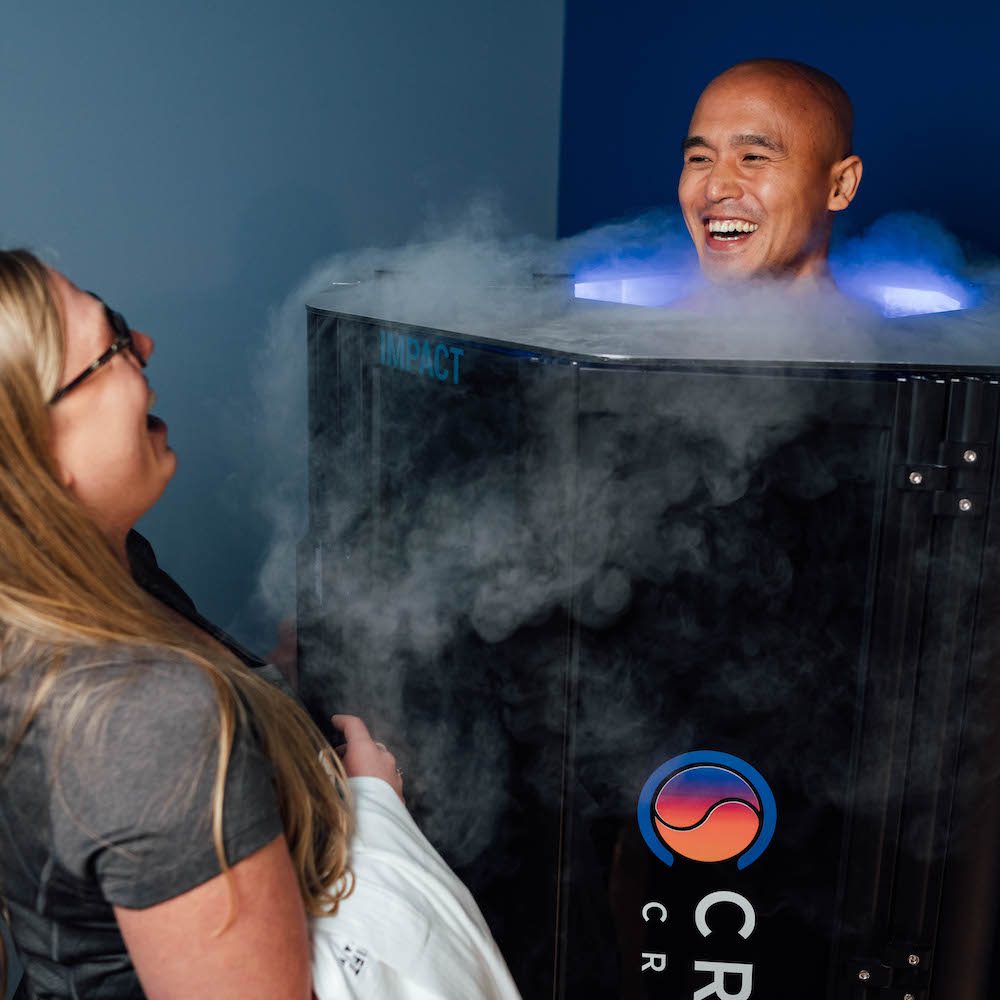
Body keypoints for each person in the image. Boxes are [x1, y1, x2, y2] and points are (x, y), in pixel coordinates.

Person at [0, 250, 519, 999]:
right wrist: (374, 811)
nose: (143, 345)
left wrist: (266, 688)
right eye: (110, 342)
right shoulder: (146, 718)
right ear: (42, 456)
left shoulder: (103, 577)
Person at [678, 58, 863, 287]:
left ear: (840, 185)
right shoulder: (640, 315)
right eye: (700, 159)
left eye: (753, 158)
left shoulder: (897, 321)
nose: (714, 189)